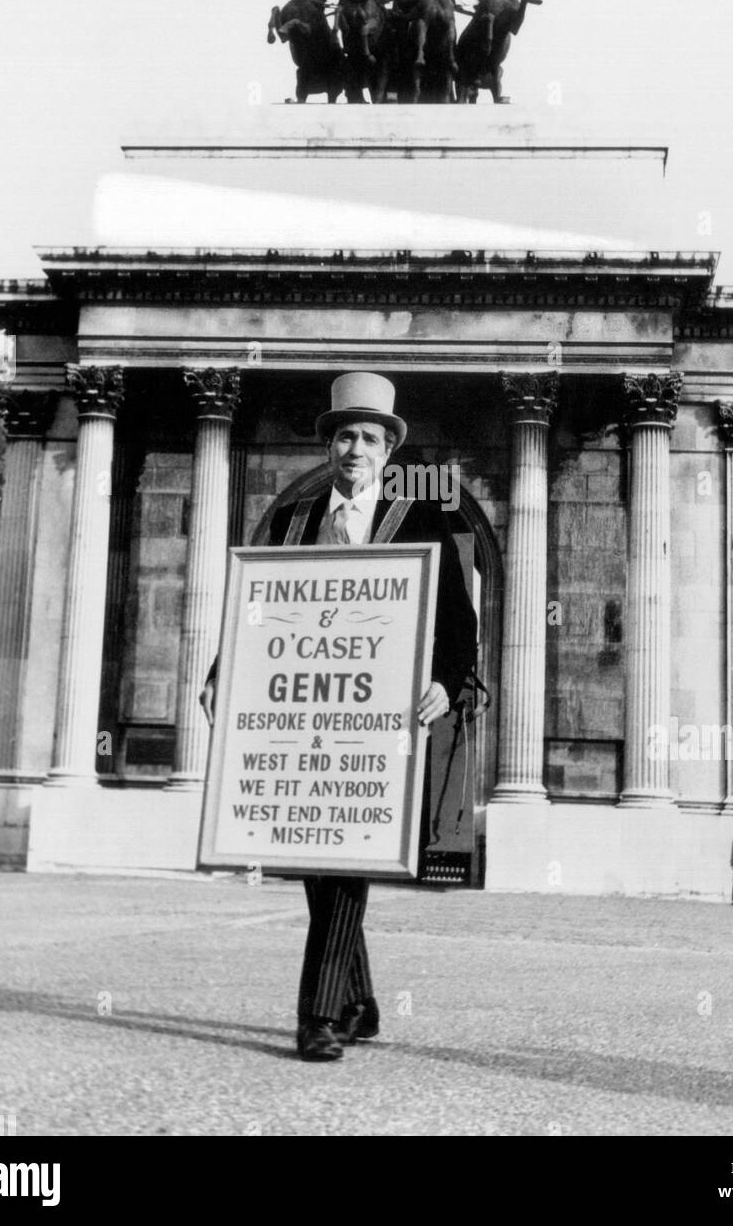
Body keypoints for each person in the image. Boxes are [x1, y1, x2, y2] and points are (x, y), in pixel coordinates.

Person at [201, 372, 478, 1062]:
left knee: (346, 858)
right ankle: (360, 1000)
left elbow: (459, 623)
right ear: (330, 447)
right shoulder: (293, 522)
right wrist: (220, 674)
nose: (356, 448)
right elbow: (253, 609)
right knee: (311, 856)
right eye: (345, 436)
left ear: (388, 451)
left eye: (370, 438)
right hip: (301, 717)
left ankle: (318, 1016)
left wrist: (448, 682)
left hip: (380, 723)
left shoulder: (424, 522)